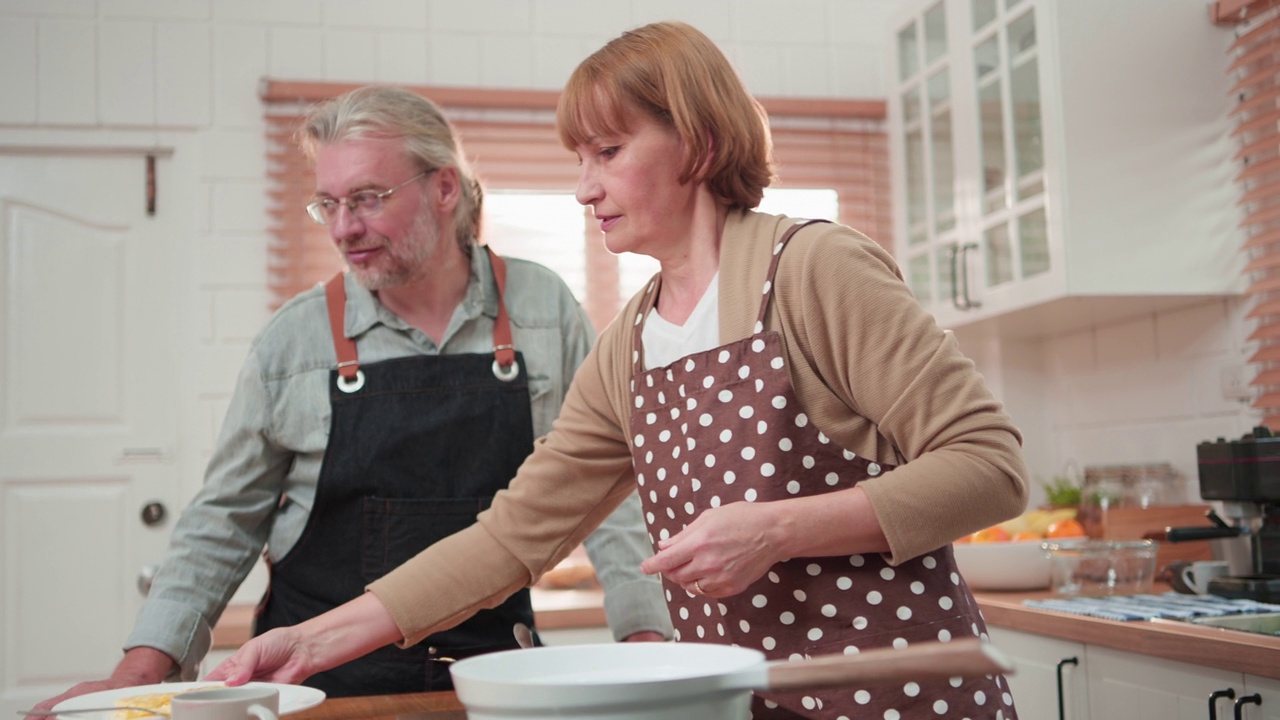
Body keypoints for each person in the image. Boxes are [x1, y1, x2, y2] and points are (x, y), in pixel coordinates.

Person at [208, 22, 1030, 719]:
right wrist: (310, 641)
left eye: (606, 151)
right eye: (577, 157)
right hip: (744, 704)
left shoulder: (813, 267)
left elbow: (989, 466)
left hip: (900, 694)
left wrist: (777, 529)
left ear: (699, 144)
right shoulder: (629, 343)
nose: (583, 187)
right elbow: (510, 538)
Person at [27, 85, 671, 711]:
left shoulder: (542, 309)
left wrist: (646, 644)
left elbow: (604, 490)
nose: (343, 228)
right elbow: (224, 519)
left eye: (366, 199)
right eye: (327, 204)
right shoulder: (295, 338)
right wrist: (143, 669)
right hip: (316, 684)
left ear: (445, 187)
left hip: (490, 677)